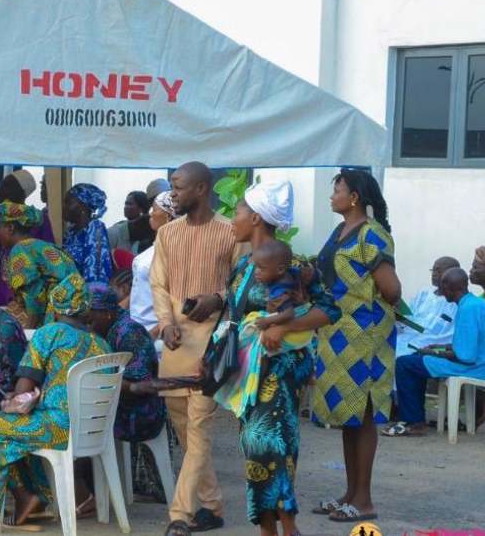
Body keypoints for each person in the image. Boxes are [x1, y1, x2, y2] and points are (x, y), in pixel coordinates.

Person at [217, 181, 338, 535]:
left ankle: (288, 525)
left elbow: (329, 309)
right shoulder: (244, 265)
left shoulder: (294, 265)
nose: (232, 220)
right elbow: (237, 313)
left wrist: (284, 327)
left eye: (238, 212)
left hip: (280, 369)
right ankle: (271, 527)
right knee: (256, 446)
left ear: (256, 217)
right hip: (248, 373)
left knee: (270, 442)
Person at [0, 274, 109, 529]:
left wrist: (13, 399)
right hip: (93, 431)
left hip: (56, 429)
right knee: (1, 433)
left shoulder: (48, 334)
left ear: (54, 308)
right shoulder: (102, 344)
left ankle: (20, 499)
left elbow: (23, 391)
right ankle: (31, 500)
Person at [151, 161, 240, 534]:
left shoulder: (231, 232)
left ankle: (180, 515)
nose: (172, 194)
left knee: (199, 428)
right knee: (185, 429)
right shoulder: (167, 233)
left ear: (201, 189)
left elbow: (243, 286)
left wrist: (217, 298)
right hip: (175, 342)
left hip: (212, 345)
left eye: (178, 186)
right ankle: (213, 507)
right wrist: (166, 324)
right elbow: (159, 284)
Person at [308, 169, 400, 524]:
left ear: (355, 197)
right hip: (338, 334)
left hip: (365, 335)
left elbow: (391, 289)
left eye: (338, 190)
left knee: (363, 415)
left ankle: (364, 500)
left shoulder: (371, 235)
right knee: (350, 416)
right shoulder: (341, 230)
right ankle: (350, 493)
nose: (332, 196)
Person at [86, 281, 172, 505]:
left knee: (80, 429)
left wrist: (100, 381)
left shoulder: (129, 333)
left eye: (91, 317)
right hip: (118, 407)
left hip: (140, 414)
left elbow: (139, 385)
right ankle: (95, 494)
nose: (87, 322)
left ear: (106, 313)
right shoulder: (108, 328)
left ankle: (93, 496)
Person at [386, 268, 485, 438]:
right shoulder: (474, 304)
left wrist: (434, 353)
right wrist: (443, 347)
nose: (441, 292)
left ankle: (413, 422)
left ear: (451, 289)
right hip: (481, 363)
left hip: (474, 367)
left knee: (404, 364)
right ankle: (414, 418)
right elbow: (470, 344)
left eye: (443, 288)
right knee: (414, 359)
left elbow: (466, 356)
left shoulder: (468, 309)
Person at [0, 201, 77, 328]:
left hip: (57, 314)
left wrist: (28, 331)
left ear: (10, 228)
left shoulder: (20, 250)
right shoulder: (40, 246)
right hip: (72, 311)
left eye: (0, 228)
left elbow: (34, 297)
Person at [0, 169, 53, 305]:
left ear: (22, 192)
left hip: (30, 283)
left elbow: (48, 255)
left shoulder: (39, 219)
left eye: (7, 186)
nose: (0, 190)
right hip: (1, 284)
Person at [395, 257, 461, 358]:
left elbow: (447, 336)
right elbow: (411, 322)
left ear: (452, 274)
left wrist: (435, 350)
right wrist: (398, 316)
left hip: (428, 349)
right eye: (433, 270)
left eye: (438, 271)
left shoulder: (456, 304)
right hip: (403, 341)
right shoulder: (424, 294)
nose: (434, 274)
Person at [132, 191, 178, 336]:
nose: (151, 213)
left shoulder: (173, 254)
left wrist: (155, 332)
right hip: (139, 328)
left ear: (168, 216)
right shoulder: (155, 248)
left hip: (157, 334)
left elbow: (176, 302)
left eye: (155, 209)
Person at [63, 183, 113, 284]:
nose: (64, 207)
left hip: (87, 291)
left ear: (83, 206)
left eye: (68, 203)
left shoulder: (95, 228)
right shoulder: (71, 232)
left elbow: (96, 271)